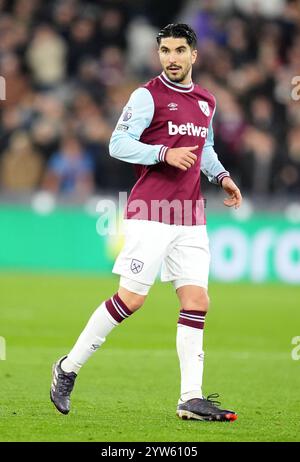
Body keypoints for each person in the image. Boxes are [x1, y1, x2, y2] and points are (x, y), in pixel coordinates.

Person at [50, 23, 242, 421]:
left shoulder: (207, 101)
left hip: (190, 215)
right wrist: (163, 154)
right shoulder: (147, 95)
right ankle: (67, 368)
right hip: (152, 211)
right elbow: (117, 143)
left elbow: (204, 148)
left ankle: (190, 397)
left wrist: (222, 177)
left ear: (194, 55)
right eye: (165, 51)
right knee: (131, 300)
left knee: (196, 301)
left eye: (179, 51)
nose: (171, 58)